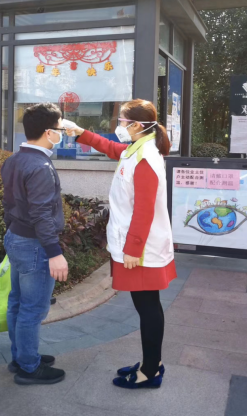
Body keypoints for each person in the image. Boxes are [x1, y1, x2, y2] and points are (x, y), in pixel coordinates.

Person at [67, 99, 176, 390]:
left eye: (123, 121)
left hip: (142, 249)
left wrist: (132, 250)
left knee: (148, 307)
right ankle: (152, 363)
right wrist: (81, 133)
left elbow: (144, 209)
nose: (119, 126)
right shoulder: (136, 148)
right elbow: (113, 149)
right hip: (139, 244)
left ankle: (150, 371)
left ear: (137, 125)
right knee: (148, 305)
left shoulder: (146, 157)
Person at [1, 103, 69, 386]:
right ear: (48, 132)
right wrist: (55, 253)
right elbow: (41, 213)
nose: (62, 133)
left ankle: (21, 357)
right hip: (34, 244)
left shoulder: (14, 160)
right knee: (33, 309)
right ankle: (29, 367)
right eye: (61, 128)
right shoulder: (40, 166)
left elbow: (9, 204)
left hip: (17, 238)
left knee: (17, 303)